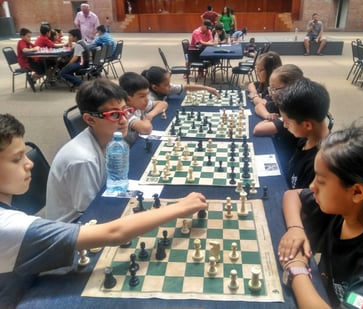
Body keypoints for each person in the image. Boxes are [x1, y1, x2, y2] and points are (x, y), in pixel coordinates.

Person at [0, 114, 207, 308]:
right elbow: (113, 233)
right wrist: (179, 208)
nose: (30, 163)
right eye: (17, 159)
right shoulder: (11, 227)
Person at [277, 125, 363, 308]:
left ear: (357, 192)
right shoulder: (351, 207)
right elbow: (292, 196)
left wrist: (296, 269)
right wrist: (296, 229)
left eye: (321, 181)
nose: (312, 186)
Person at [45, 79, 133, 222]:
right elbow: (92, 212)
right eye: (114, 115)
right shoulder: (84, 160)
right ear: (90, 120)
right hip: (72, 228)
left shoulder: (109, 140)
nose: (124, 120)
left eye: (125, 111)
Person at [276, 77, 332, 189]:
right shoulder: (305, 139)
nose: (284, 125)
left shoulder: (319, 163)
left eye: (287, 122)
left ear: (307, 125)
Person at [253, 64, 303, 175]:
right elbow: (258, 106)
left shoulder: (294, 112)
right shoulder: (281, 101)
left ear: (291, 88)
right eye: (270, 88)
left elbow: (258, 129)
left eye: (275, 89)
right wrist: (267, 116)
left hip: (287, 160)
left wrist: (268, 121)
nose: (270, 93)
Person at [119, 72, 168, 143]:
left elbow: (163, 104)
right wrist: (147, 120)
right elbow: (146, 129)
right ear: (128, 99)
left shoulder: (138, 105)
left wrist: (150, 115)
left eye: (147, 95)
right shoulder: (125, 112)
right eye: (142, 96)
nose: (147, 99)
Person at [142, 66, 219, 102]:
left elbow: (186, 87)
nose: (170, 86)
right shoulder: (148, 99)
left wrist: (207, 88)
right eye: (166, 84)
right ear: (155, 88)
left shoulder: (166, 88)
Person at [248, 51, 283, 116]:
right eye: (256, 69)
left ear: (271, 70)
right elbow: (251, 84)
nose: (257, 73)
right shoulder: (264, 82)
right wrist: (254, 93)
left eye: (260, 70)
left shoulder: (276, 88)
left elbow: (264, 104)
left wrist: (254, 97)